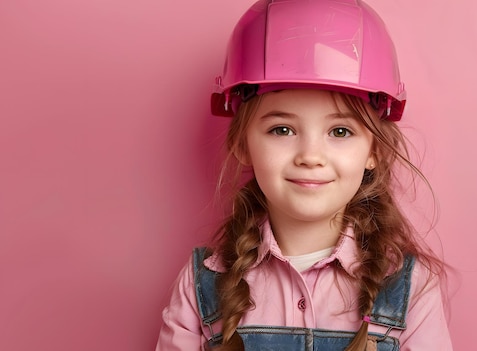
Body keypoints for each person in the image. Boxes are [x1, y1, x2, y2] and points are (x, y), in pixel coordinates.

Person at [156, 0, 453, 350]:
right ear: (242, 143)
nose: (310, 156)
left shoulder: (412, 288)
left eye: (340, 132)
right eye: (282, 130)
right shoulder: (202, 283)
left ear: (375, 150)